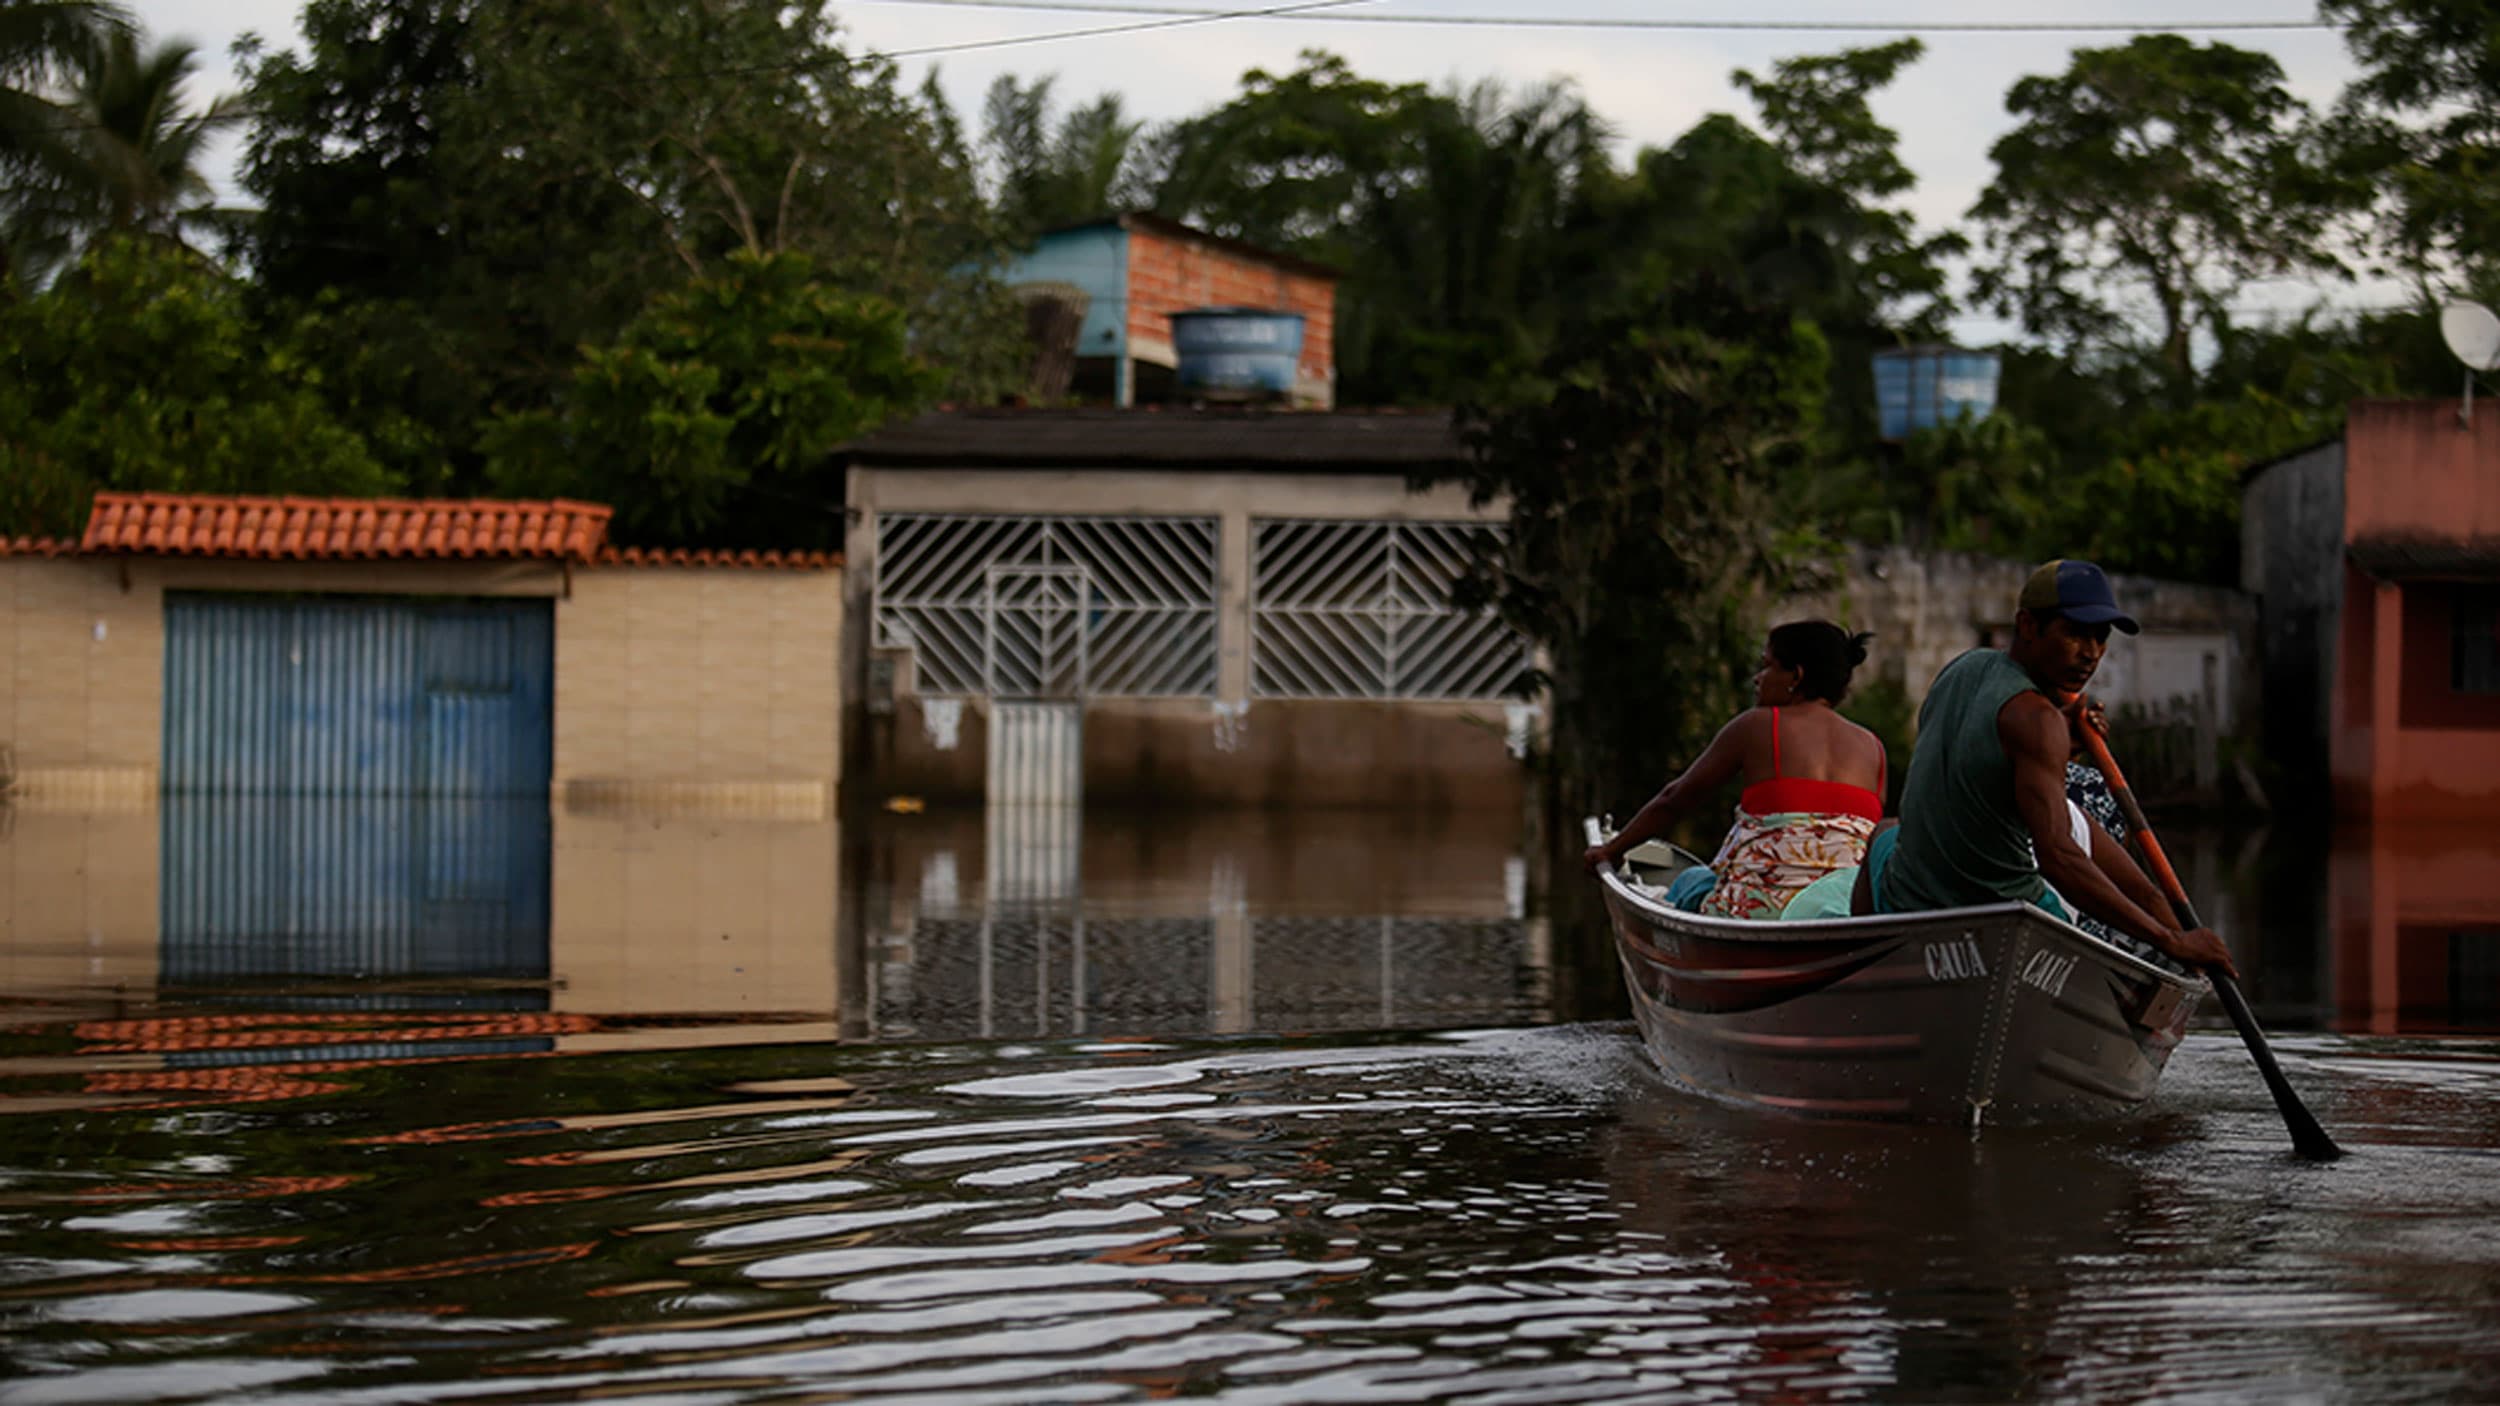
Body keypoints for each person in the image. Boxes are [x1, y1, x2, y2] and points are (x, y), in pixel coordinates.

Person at [1851, 560, 2236, 976]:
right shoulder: (2037, 720)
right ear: (2028, 626)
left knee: (1885, 834)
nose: (2090, 653)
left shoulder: (1962, 669)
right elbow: (2058, 858)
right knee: (2099, 820)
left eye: (2100, 637)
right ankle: (2172, 932)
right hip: (2006, 914)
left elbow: (1988, 760)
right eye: (2074, 633)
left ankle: (1863, 968)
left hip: (1909, 898)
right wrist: (2170, 941)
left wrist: (2061, 740)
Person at [1584, 621, 1888, 920]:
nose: (1758, 678)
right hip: (1843, 912)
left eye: (1767, 666)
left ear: (1796, 676)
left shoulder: (1758, 725)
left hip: (1764, 912)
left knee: (1691, 882)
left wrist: (1612, 850)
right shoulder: (1873, 747)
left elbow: (1675, 799)